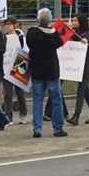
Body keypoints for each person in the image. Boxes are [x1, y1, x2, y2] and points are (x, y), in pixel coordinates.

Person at [26, 8, 68, 138]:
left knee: (37, 100)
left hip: (37, 71)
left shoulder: (32, 33)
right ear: (49, 20)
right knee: (56, 100)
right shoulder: (54, 34)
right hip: (52, 71)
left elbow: (29, 44)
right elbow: (61, 42)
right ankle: (58, 128)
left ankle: (37, 129)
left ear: (38, 19)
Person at [67, 14, 89, 124]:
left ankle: (76, 116)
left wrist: (88, 43)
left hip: (86, 67)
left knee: (81, 91)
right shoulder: (73, 33)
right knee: (85, 91)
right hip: (76, 66)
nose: (73, 22)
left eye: (75, 20)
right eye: (72, 20)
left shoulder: (88, 34)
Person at [2, 17, 29, 124]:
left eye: (9, 24)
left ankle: (23, 114)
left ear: (14, 25)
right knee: (7, 93)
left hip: (18, 65)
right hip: (6, 66)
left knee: (19, 92)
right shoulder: (3, 37)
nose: (7, 27)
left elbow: (26, 50)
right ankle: (8, 116)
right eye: (6, 25)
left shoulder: (21, 37)